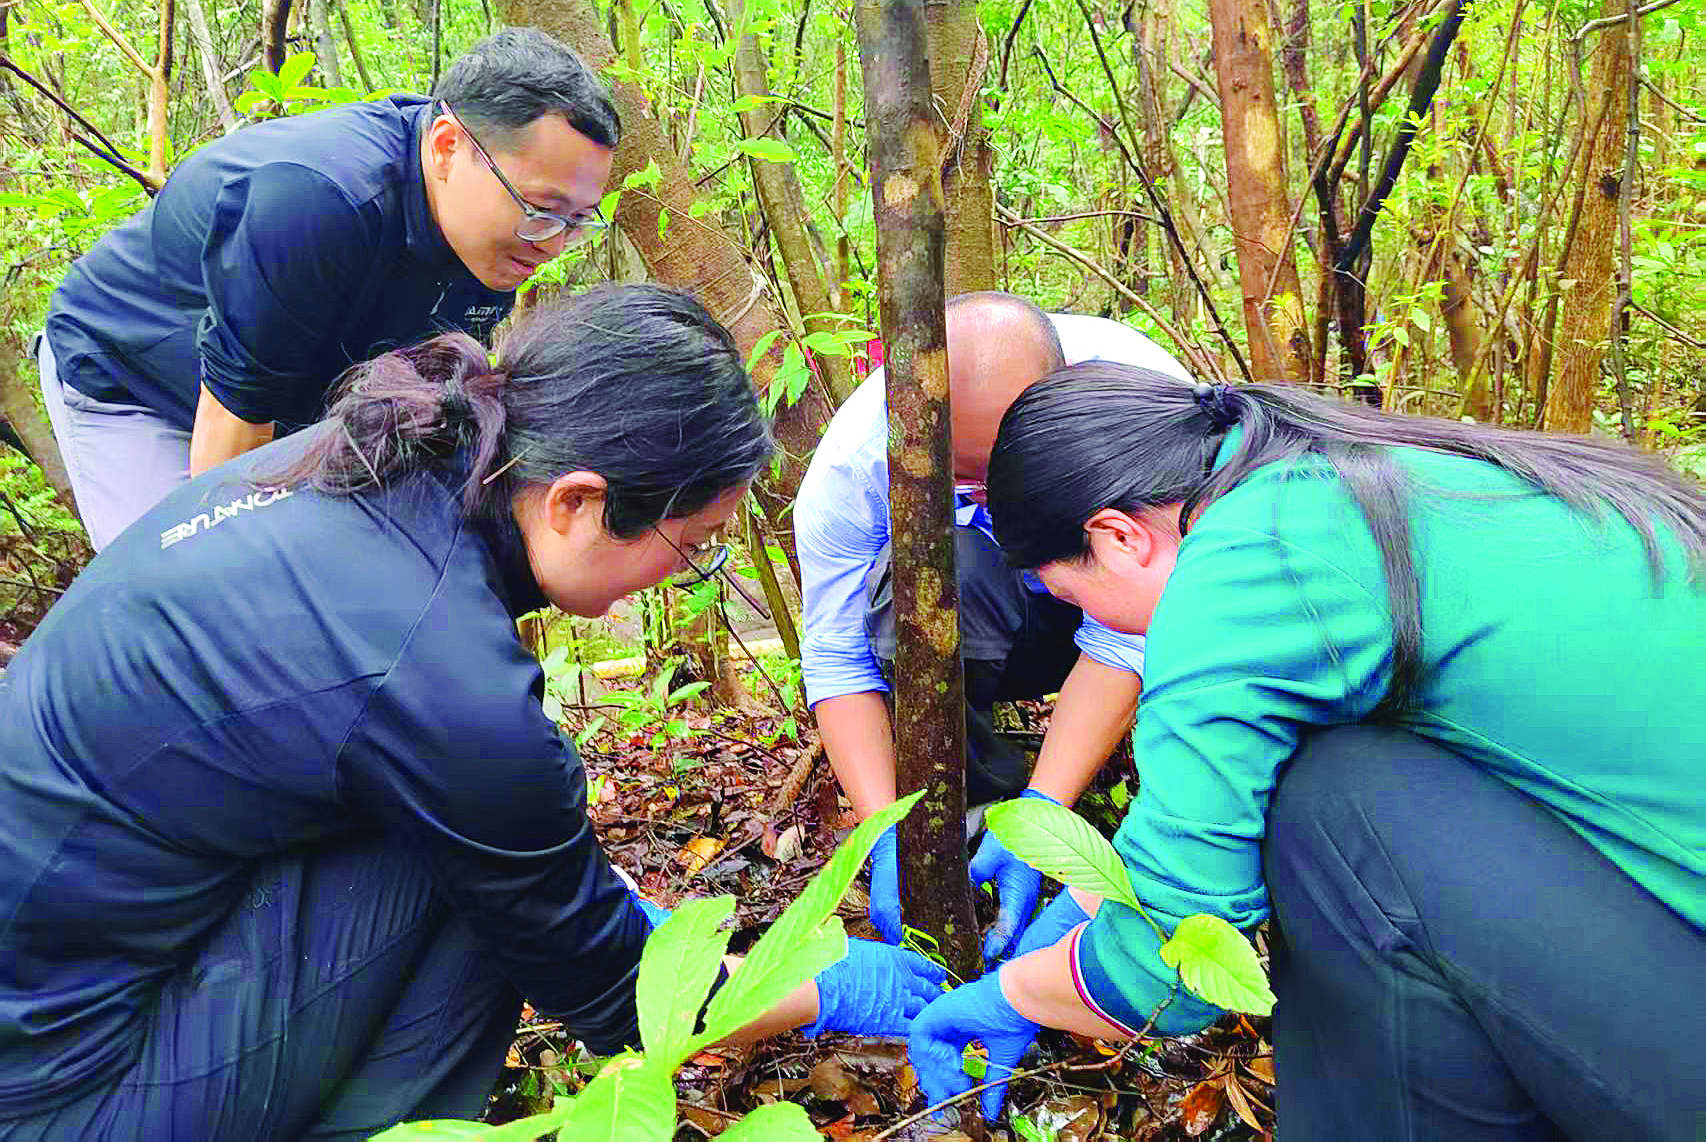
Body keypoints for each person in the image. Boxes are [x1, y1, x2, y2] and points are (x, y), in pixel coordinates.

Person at [0, 287, 943, 1140]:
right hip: (64, 1088)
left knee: (497, 849)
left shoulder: (371, 459)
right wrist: (822, 987)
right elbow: (621, 997)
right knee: (488, 892)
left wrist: (587, 893)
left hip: (64, 976)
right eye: (692, 541)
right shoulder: (439, 667)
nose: (684, 570)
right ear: (577, 501)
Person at [909, 363, 1706, 1139]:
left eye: (1072, 596)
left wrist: (1010, 993)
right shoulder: (1342, 476)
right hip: (1660, 913)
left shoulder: (1244, 568)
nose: (1099, 626)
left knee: (1331, 802)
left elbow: (1172, 970)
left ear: (1118, 537)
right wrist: (1097, 894)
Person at [36, 26, 619, 550]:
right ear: (447, 147)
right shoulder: (318, 203)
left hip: (291, 399)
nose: (554, 243)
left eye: (578, 220)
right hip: (134, 383)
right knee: (186, 589)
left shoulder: (494, 241)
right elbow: (233, 436)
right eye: (541, 209)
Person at [795, 293, 1190, 960]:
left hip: (1118, 608)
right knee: (932, 573)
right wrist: (885, 831)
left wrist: (1043, 817)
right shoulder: (857, 460)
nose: (989, 498)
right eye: (963, 480)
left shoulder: (1140, 404)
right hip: (992, 621)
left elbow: (1133, 631)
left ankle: (1063, 818)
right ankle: (972, 821)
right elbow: (838, 658)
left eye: (1002, 475)